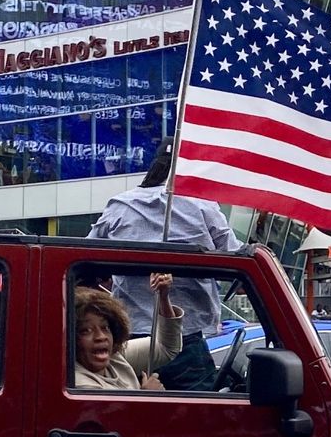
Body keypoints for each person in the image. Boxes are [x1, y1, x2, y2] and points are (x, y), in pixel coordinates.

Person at [86, 145, 243, 391]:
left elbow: (85, 259)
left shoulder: (119, 207)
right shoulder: (202, 206)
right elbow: (237, 258)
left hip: (130, 336)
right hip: (186, 339)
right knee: (200, 420)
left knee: (134, 415)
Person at [73, 274, 180, 390]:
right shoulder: (81, 384)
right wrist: (147, 397)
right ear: (70, 339)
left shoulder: (115, 357)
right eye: (86, 331)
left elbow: (166, 347)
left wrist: (163, 297)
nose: (101, 336)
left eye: (105, 328)